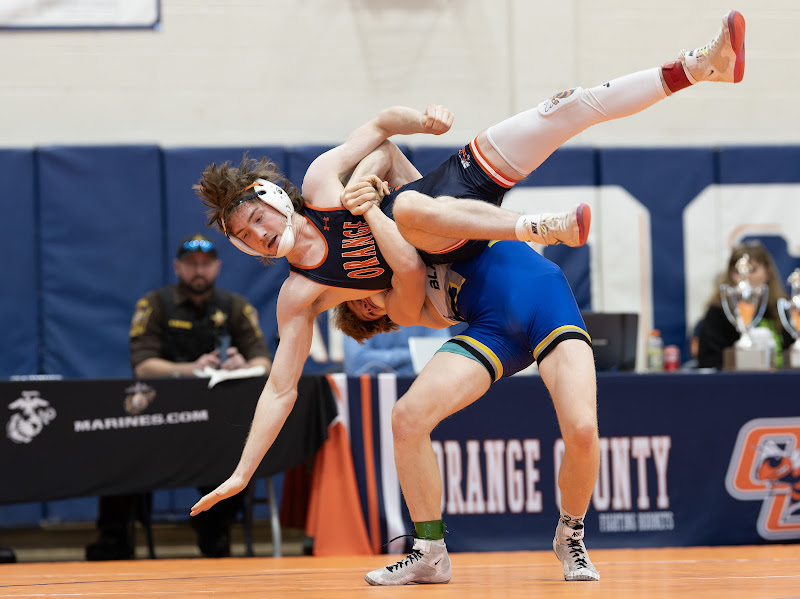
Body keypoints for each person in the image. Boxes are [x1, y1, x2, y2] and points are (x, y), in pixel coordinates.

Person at [190, 8, 746, 583]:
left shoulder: (320, 185)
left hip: (454, 202)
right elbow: (282, 384)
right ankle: (431, 551)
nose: (257, 234)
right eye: (244, 237)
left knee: (562, 110)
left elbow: (382, 132)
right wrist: (241, 471)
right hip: (475, 294)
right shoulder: (314, 293)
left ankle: (701, 66)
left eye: (256, 218)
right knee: (407, 414)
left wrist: (422, 124)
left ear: (274, 199)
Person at [86, 234, 272, 561]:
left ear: (217, 267)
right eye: (190, 265)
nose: (198, 271)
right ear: (178, 267)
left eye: (205, 264)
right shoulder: (155, 304)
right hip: (157, 420)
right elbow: (143, 366)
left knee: (232, 455)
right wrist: (192, 368)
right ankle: (114, 539)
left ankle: (217, 534)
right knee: (118, 451)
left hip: (214, 424)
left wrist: (243, 363)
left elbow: (263, 362)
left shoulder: (235, 307)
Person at [696, 240, 792, 369]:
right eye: (738, 271)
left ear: (767, 272)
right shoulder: (718, 312)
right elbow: (708, 360)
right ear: (730, 276)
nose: (746, 276)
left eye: (752, 269)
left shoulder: (782, 308)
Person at [342, 324, 451, 377]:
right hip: (369, 392)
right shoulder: (362, 307)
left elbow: (442, 358)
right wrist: (413, 356)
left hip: (419, 390)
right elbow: (356, 361)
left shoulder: (433, 310)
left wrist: (383, 361)